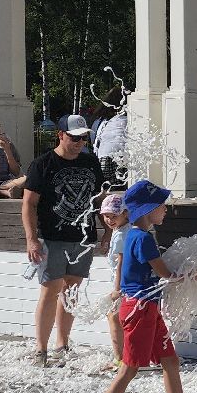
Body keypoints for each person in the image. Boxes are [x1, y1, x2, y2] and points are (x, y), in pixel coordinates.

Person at [84, 180, 197, 393]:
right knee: (128, 369)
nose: (165, 210)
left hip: (146, 308)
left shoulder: (134, 235)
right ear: (147, 210)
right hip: (139, 310)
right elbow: (168, 277)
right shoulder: (143, 238)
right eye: (161, 206)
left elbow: (131, 268)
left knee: (170, 361)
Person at [22, 115, 104, 367]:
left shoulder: (91, 162)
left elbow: (100, 199)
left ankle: (62, 344)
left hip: (83, 237)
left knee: (71, 291)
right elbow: (28, 203)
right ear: (60, 135)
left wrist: (108, 231)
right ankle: (40, 349)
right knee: (50, 290)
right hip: (52, 236)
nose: (80, 142)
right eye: (74, 137)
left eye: (83, 137)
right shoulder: (42, 164)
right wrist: (31, 239)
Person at [95, 191, 130, 367]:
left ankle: (120, 359)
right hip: (126, 283)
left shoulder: (122, 235)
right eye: (106, 216)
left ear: (126, 213)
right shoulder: (122, 230)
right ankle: (124, 357)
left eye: (114, 216)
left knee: (113, 316)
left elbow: (121, 264)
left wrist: (117, 289)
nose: (109, 220)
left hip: (123, 284)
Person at [92, 95, 128, 188]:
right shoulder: (123, 119)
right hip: (115, 160)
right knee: (118, 191)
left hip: (100, 159)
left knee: (108, 190)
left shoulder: (101, 122)